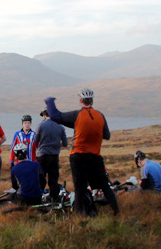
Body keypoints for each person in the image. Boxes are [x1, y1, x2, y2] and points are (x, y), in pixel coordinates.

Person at [45, 88, 119, 216]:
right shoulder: (100, 116)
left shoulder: (76, 115)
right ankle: (116, 211)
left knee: (80, 187)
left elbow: (55, 116)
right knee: (104, 185)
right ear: (92, 101)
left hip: (78, 156)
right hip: (95, 156)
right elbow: (106, 135)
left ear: (81, 101)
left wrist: (50, 101)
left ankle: (80, 215)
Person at [33, 107, 68, 202]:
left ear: (44, 115)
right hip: (54, 156)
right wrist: (56, 144)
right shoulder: (60, 127)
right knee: (53, 180)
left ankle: (38, 199)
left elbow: (36, 140)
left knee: (40, 179)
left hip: (42, 156)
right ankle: (55, 201)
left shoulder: (40, 125)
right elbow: (65, 144)